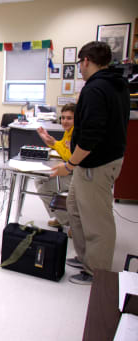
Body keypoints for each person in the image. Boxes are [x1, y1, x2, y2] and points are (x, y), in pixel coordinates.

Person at [51, 41, 130, 285]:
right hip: (97, 161)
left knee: (97, 221)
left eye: (80, 64)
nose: (80, 68)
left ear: (85, 60)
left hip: (95, 164)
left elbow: (91, 135)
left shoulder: (96, 89)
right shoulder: (114, 83)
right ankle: (85, 257)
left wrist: (70, 165)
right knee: (75, 209)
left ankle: (97, 272)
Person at [34, 103, 75, 232]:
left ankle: (70, 223)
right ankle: (60, 216)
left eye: (69, 118)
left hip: (76, 174)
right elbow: (62, 147)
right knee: (37, 180)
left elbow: (69, 155)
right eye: (63, 118)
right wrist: (50, 141)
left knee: (43, 189)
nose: (65, 121)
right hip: (69, 170)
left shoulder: (76, 133)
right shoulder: (68, 132)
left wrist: (55, 144)